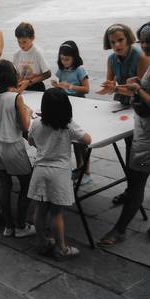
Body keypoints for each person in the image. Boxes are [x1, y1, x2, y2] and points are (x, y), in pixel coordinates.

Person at [98, 21, 150, 246]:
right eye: (142, 41)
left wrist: (137, 89)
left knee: (137, 183)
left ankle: (120, 230)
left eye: (149, 41)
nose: (144, 46)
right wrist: (137, 84)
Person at [28, 88, 92, 260]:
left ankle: (41, 242)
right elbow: (87, 140)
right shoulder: (68, 125)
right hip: (59, 173)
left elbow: (31, 141)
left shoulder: (36, 123)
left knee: (40, 209)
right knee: (56, 213)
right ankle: (61, 248)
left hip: (40, 170)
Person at [96, 23, 149, 206]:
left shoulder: (140, 57)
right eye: (113, 42)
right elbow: (110, 83)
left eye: (120, 40)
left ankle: (135, 191)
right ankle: (132, 190)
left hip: (141, 106)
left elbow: (141, 90)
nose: (117, 45)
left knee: (139, 152)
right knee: (129, 146)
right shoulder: (112, 59)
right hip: (124, 105)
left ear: (128, 39)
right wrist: (109, 87)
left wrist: (115, 88)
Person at [0, 60, 35, 238]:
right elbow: (25, 126)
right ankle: (21, 225)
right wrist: (28, 112)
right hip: (12, 145)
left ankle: (8, 226)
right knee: (27, 184)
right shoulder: (15, 98)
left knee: (4, 184)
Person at [51, 41, 91, 184]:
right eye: (62, 59)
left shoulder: (80, 69)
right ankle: (80, 167)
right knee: (74, 139)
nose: (65, 62)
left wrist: (71, 86)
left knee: (81, 141)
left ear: (74, 57)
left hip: (79, 105)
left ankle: (86, 171)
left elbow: (86, 89)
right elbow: (56, 81)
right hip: (66, 106)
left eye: (67, 59)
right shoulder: (61, 70)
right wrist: (56, 85)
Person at [12, 22, 51, 92]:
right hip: (22, 86)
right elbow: (16, 74)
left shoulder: (37, 52)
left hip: (37, 86)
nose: (21, 45)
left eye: (24, 42)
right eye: (19, 42)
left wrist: (30, 82)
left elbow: (48, 74)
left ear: (32, 38)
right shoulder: (16, 54)